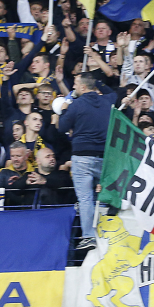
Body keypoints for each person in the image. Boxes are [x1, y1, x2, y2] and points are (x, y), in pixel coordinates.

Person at [57, 73, 115, 249]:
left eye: (75, 84)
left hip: (82, 157)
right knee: (103, 196)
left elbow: (62, 127)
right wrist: (97, 82)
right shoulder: (107, 101)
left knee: (85, 199)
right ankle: (111, 233)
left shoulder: (76, 105)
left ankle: (89, 236)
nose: (73, 87)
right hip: (104, 158)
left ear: (83, 87)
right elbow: (114, 93)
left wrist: (64, 109)